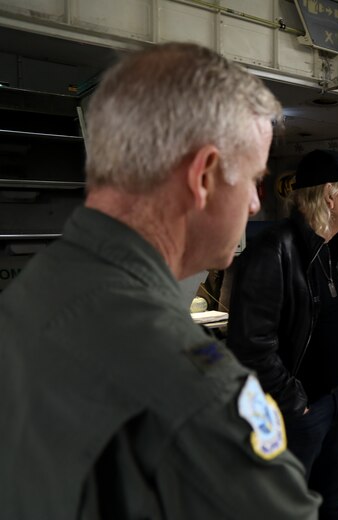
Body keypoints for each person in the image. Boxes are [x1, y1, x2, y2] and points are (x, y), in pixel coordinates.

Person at [0, 42, 320, 519]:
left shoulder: (29, 293)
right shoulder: (198, 389)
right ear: (205, 176)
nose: (255, 203)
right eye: (253, 178)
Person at [227, 149, 338, 520]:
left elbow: (333, 323)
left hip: (335, 397)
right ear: (329, 194)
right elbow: (250, 346)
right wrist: (296, 402)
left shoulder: (327, 251)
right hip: (298, 411)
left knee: (327, 500)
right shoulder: (273, 250)